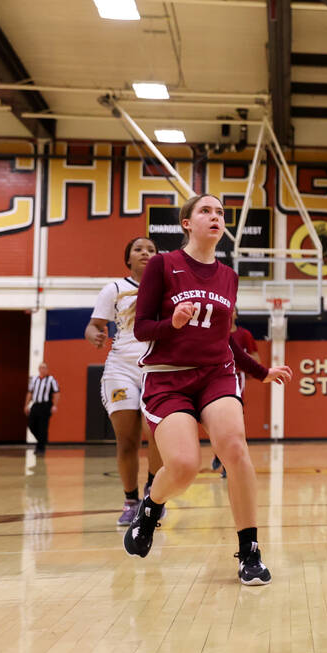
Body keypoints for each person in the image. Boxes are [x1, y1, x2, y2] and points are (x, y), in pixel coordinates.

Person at [125, 193, 293, 585]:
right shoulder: (163, 265)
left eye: (220, 212)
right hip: (168, 377)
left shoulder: (228, 275)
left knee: (234, 447)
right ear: (187, 223)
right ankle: (150, 507)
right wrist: (173, 325)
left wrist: (260, 370)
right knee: (184, 467)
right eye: (206, 211)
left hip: (216, 374)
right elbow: (142, 328)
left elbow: (226, 340)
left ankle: (250, 551)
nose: (215, 216)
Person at [85, 236, 165, 525]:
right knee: (127, 439)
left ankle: (152, 493)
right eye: (139, 249)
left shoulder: (168, 288)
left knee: (158, 434)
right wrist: (94, 334)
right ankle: (130, 500)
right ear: (128, 258)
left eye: (151, 249)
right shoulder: (114, 289)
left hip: (157, 367)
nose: (145, 253)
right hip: (122, 368)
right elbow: (94, 325)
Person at [212, 310, 260, 478]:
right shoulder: (214, 332)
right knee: (216, 417)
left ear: (236, 315)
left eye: (233, 310)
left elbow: (256, 358)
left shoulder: (244, 334)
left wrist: (249, 366)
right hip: (216, 376)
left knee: (233, 419)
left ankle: (227, 463)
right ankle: (218, 453)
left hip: (236, 377)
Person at [25, 363, 59, 456]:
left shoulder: (51, 380)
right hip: (35, 405)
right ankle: (42, 441)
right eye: (41, 368)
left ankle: (41, 448)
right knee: (31, 425)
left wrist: (54, 406)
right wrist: (26, 405)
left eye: (44, 368)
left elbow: (56, 393)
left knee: (42, 427)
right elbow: (30, 393)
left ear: (47, 369)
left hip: (46, 405)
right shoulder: (34, 379)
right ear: (38, 369)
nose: (42, 369)